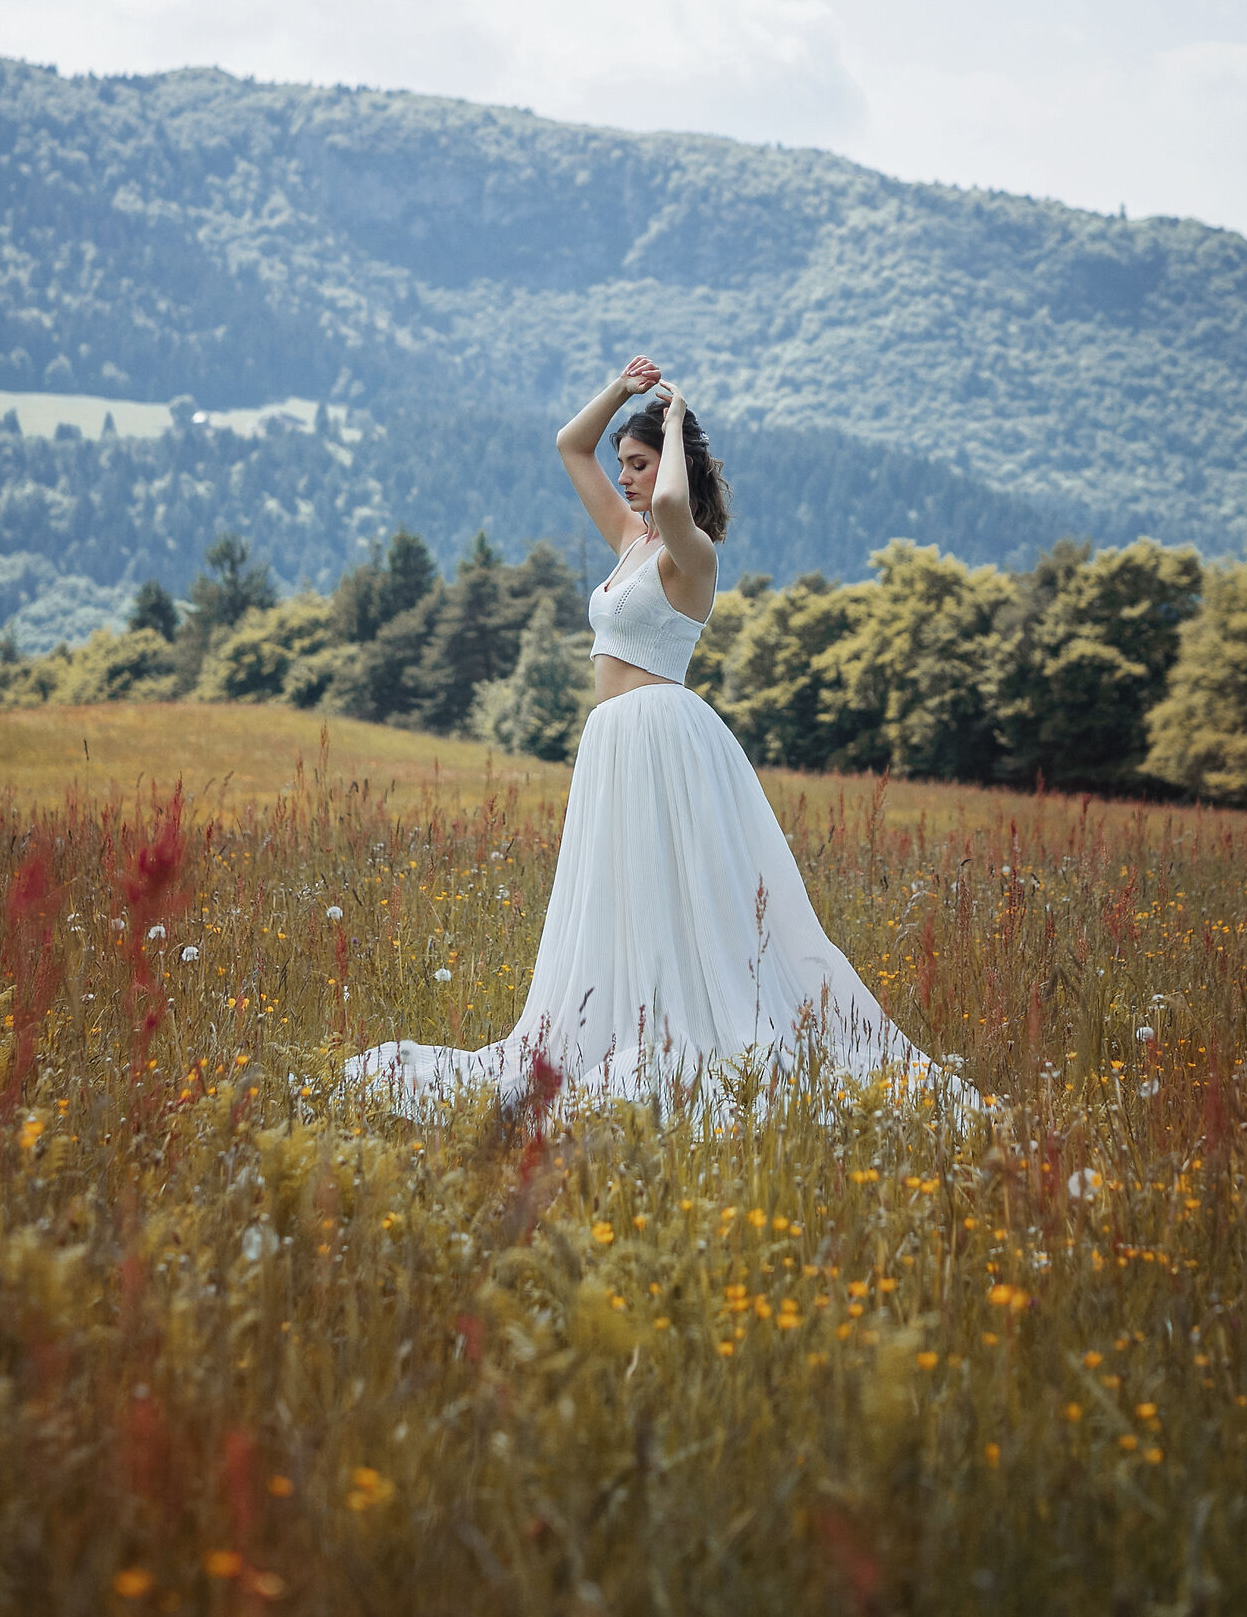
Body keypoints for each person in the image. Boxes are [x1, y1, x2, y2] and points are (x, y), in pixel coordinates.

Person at [343, 355, 966, 1114]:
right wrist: (621, 390)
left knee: (678, 894)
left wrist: (674, 423)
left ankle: (683, 1029)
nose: (629, 477)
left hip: (664, 738)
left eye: (637, 464)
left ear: (672, 463)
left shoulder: (691, 554)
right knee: (616, 895)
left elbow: (673, 495)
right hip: (611, 743)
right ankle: (612, 1024)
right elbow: (571, 446)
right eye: (626, 466)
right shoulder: (631, 543)